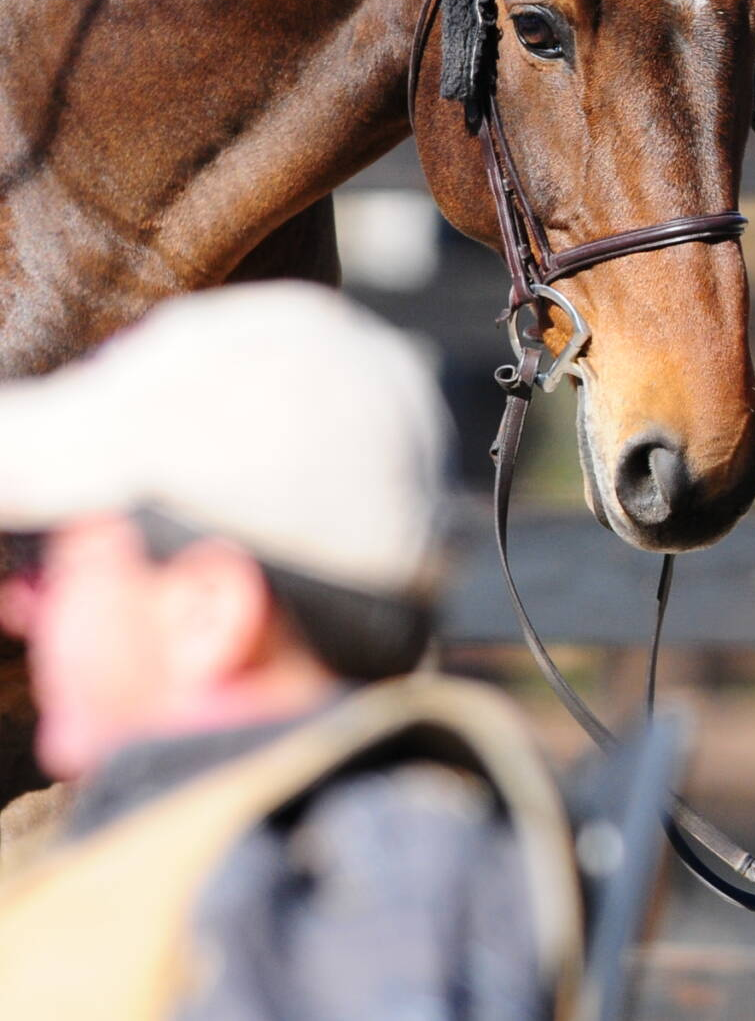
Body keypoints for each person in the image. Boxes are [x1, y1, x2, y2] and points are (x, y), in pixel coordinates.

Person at [0, 282, 582, 1021]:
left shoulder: (292, 903)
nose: (18, 604)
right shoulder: (325, 853)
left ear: (208, 613)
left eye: (50, 558)